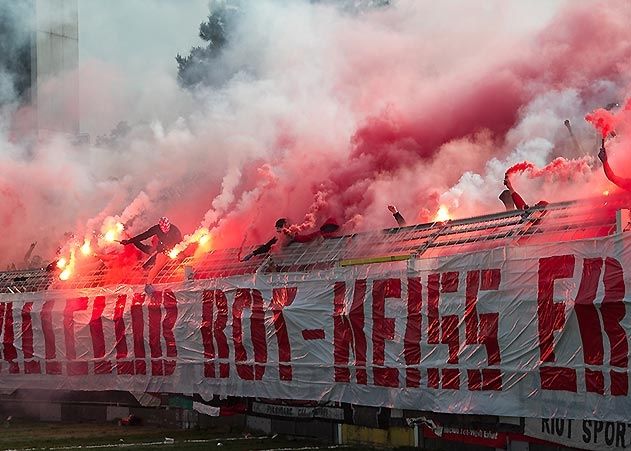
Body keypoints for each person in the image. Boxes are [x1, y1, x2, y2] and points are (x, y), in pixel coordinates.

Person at [120, 217, 182, 292]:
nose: (165, 230)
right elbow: (143, 236)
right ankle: (148, 284)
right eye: (163, 229)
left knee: (180, 257)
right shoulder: (156, 229)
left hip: (174, 248)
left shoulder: (175, 230)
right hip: (162, 250)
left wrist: (176, 250)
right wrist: (129, 241)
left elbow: (180, 242)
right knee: (158, 264)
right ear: (160, 226)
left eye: (167, 228)